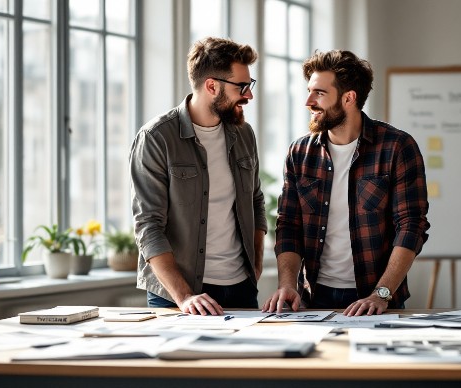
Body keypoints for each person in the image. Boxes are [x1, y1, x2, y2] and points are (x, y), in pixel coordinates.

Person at [262, 50, 430, 316]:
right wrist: (286, 284)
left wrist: (382, 294)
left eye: (319, 93)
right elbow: (289, 225)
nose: (308, 101)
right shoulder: (300, 153)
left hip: (377, 298)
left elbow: (411, 226)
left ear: (349, 98)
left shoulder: (397, 147)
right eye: (309, 91)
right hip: (315, 297)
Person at [130, 37, 267, 315]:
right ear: (212, 86)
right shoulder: (157, 138)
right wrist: (184, 296)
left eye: (250, 86)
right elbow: (148, 225)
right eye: (242, 87)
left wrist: (256, 263)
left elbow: (255, 200)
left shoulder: (244, 134)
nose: (249, 95)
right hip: (178, 293)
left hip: (240, 287)